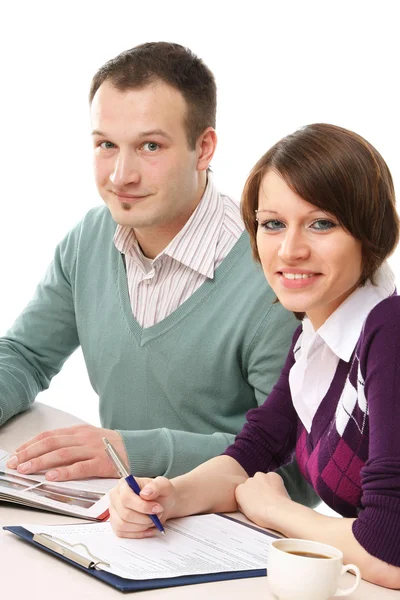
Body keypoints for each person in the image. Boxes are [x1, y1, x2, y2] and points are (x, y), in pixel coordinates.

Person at [0, 42, 315, 506]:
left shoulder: (275, 275)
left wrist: (134, 452)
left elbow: (297, 471)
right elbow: (26, 355)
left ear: (203, 148)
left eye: (150, 146)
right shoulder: (90, 238)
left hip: (231, 537)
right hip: (121, 516)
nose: (121, 175)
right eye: (106, 145)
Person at [108, 123, 400, 589]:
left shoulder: (390, 331)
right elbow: (254, 452)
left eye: (321, 223)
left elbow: (390, 551)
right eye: (273, 224)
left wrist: (276, 511)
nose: (290, 250)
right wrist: (168, 496)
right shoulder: (316, 330)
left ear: (371, 231)